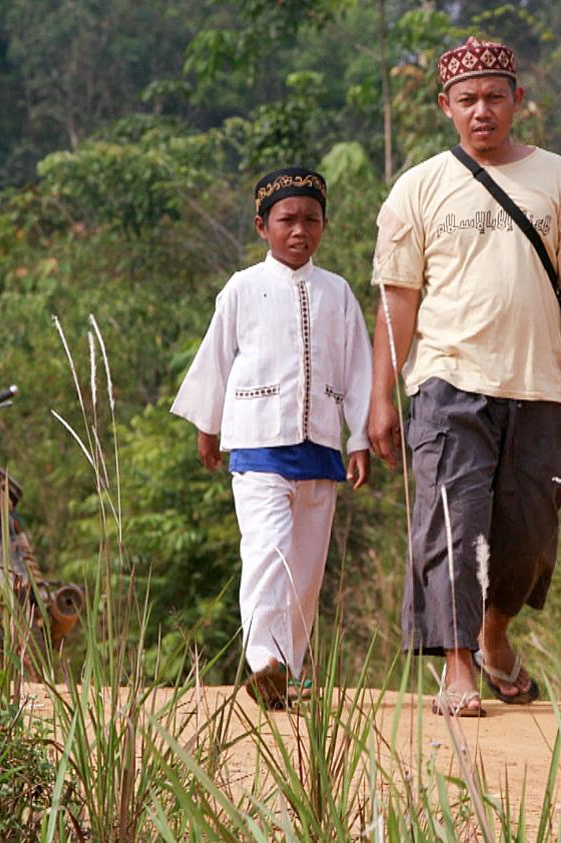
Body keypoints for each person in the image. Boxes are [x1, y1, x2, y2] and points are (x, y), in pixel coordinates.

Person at [368, 37, 561, 717]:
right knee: (453, 524)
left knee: (530, 533)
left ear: (517, 101)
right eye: (468, 99)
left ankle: (493, 634)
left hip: (539, 386)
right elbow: (397, 299)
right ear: (445, 106)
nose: (482, 110)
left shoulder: (557, 177)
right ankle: (456, 667)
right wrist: (380, 397)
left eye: (494, 97)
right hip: (447, 381)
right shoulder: (418, 187)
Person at [171, 166, 373, 710]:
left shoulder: (338, 293)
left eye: (311, 220)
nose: (300, 230)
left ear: (325, 225)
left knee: (306, 572)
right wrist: (208, 427)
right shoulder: (242, 287)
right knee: (267, 553)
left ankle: (293, 671)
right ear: (263, 226)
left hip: (322, 451)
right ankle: (265, 661)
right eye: (287, 220)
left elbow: (359, 371)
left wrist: (359, 439)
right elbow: (216, 357)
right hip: (258, 447)